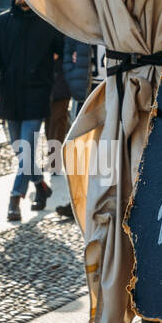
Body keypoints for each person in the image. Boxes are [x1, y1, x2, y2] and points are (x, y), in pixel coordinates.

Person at [0, 0, 63, 221]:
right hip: (9, 95)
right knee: (21, 151)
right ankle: (40, 185)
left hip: (36, 95)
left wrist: (46, 73)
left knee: (25, 147)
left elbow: (62, 50)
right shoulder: (2, 22)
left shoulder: (48, 24)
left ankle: (15, 198)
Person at [55, 38, 96, 219]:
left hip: (113, 87)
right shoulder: (85, 15)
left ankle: (97, 202)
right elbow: (69, 48)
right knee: (79, 151)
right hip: (85, 92)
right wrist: (73, 78)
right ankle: (78, 202)